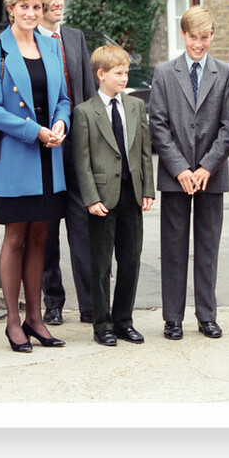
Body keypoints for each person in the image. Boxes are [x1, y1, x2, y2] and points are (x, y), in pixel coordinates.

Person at [0, 0, 70, 352]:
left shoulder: (50, 47)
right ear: (11, 7)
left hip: (51, 157)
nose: (32, 13)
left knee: (41, 236)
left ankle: (36, 318)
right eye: (25, 7)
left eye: (38, 7)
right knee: (15, 237)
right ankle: (13, 322)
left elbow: (63, 98)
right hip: (19, 156)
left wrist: (61, 121)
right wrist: (35, 131)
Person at [148, 6, 229, 341]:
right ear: (182, 35)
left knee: (207, 246)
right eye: (192, 37)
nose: (198, 44)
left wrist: (206, 167)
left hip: (211, 175)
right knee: (173, 246)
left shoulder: (224, 73)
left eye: (204, 37)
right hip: (176, 177)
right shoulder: (165, 73)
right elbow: (157, 125)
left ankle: (206, 314)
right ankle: (172, 317)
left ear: (212, 36)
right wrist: (181, 169)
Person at [72, 45, 155, 346]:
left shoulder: (135, 106)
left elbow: (144, 152)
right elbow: (81, 161)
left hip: (132, 195)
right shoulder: (84, 112)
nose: (124, 78)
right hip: (102, 200)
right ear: (101, 75)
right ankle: (102, 324)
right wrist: (91, 198)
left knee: (131, 260)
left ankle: (123, 321)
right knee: (101, 263)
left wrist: (148, 189)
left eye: (126, 72)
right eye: (119, 73)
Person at [34, 0, 96, 326]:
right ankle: (53, 301)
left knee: (83, 226)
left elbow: (87, 94)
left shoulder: (75, 38)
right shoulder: (27, 41)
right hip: (44, 145)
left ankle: (90, 305)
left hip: (76, 147)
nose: (57, 3)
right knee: (46, 229)